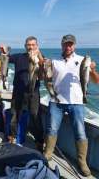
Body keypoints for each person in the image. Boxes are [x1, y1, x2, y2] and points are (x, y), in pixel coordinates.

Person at [43, 34, 93, 176]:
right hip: (56, 101)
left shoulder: (83, 60)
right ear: (62, 45)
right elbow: (45, 77)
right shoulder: (55, 61)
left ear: (74, 45)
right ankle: (48, 153)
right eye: (66, 44)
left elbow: (96, 80)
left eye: (70, 44)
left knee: (80, 131)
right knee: (51, 129)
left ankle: (82, 162)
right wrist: (44, 66)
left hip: (77, 102)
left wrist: (93, 69)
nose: (68, 47)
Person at [0, 36, 44, 151]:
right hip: (18, 91)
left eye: (33, 45)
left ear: (37, 46)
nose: (30, 47)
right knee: (15, 115)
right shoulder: (19, 57)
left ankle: (39, 141)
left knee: (35, 116)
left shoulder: (40, 58)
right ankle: (12, 137)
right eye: (28, 45)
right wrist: (4, 52)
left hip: (33, 92)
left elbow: (43, 73)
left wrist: (39, 56)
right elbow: (5, 59)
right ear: (25, 46)